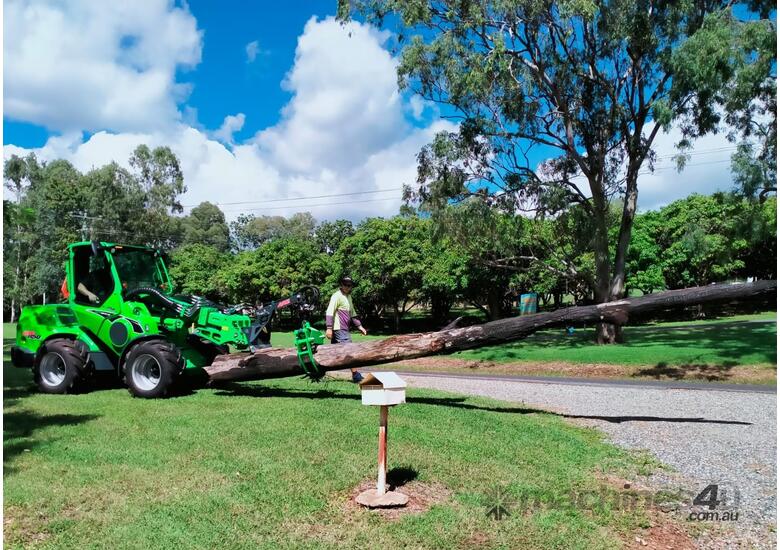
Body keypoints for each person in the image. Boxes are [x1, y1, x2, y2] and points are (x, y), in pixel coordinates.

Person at [325, 275, 367, 382]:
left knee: (333, 353)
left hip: (344, 328)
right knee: (350, 350)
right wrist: (329, 328)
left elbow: (353, 313)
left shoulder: (349, 297)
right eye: (345, 285)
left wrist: (360, 326)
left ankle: (318, 369)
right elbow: (329, 312)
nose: (348, 287)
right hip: (339, 329)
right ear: (341, 285)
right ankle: (356, 375)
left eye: (350, 285)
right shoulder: (336, 296)